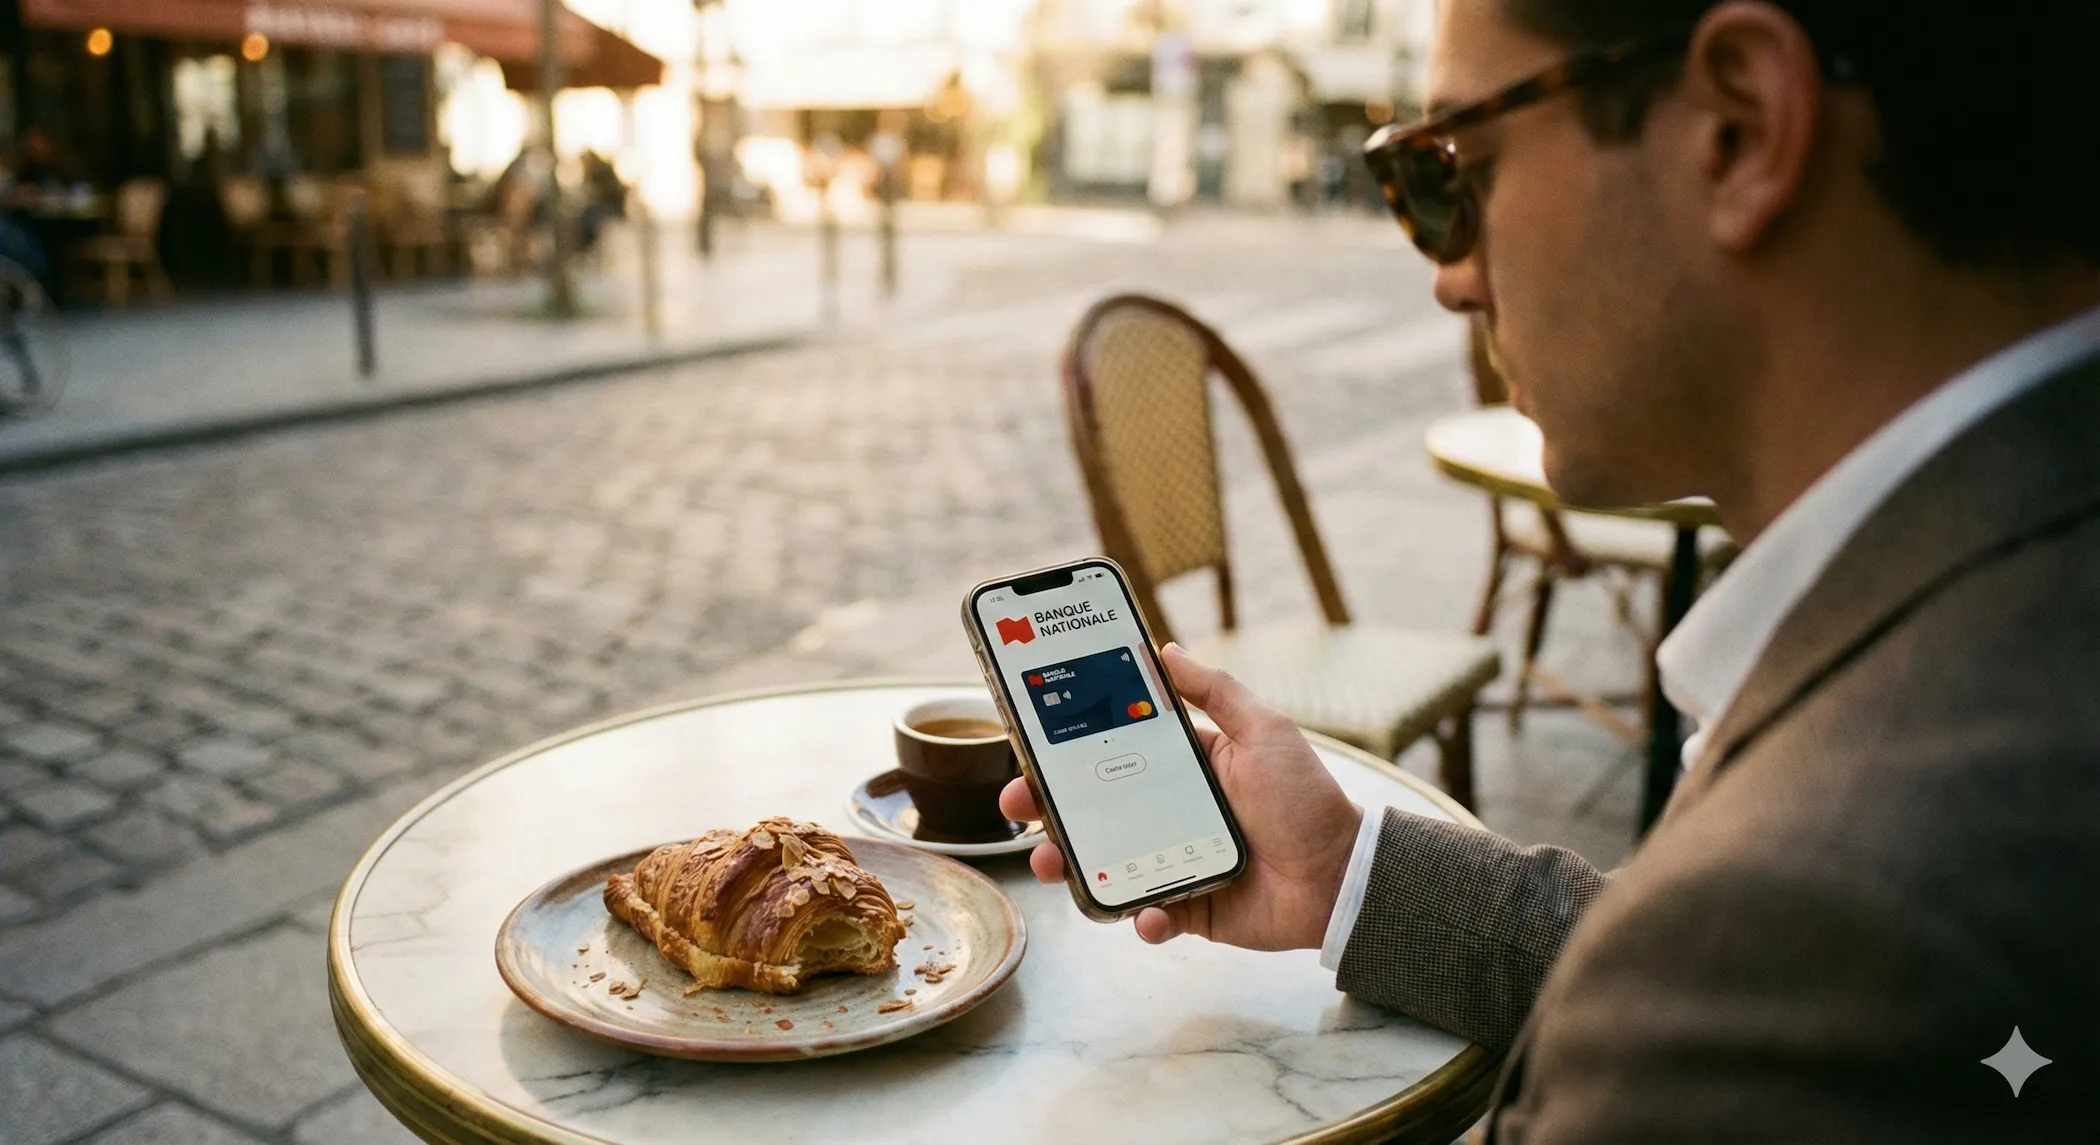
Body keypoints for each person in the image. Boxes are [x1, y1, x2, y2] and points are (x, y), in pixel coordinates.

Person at [1002, 0, 2098, 1138]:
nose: (1450, 276)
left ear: (1740, 127)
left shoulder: (1817, 919)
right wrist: (1344, 876)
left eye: (1450, 170)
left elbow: (1718, 978)